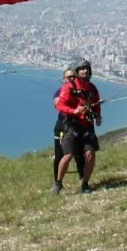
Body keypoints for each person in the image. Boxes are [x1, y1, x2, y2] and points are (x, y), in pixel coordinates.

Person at [52, 59, 102, 194]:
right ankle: (58, 183)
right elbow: (60, 105)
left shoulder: (92, 88)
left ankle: (85, 183)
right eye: (82, 69)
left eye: (87, 69)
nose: (85, 71)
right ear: (77, 72)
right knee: (68, 155)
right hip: (72, 126)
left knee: (90, 155)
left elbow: (96, 104)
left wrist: (98, 116)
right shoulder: (69, 87)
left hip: (87, 125)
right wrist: (74, 111)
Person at [52, 69, 85, 185]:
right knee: (59, 155)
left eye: (73, 77)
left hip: (77, 125)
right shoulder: (59, 91)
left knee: (78, 153)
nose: (71, 79)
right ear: (64, 79)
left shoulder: (80, 92)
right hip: (62, 125)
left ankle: (82, 177)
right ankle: (57, 181)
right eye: (68, 77)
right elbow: (56, 104)